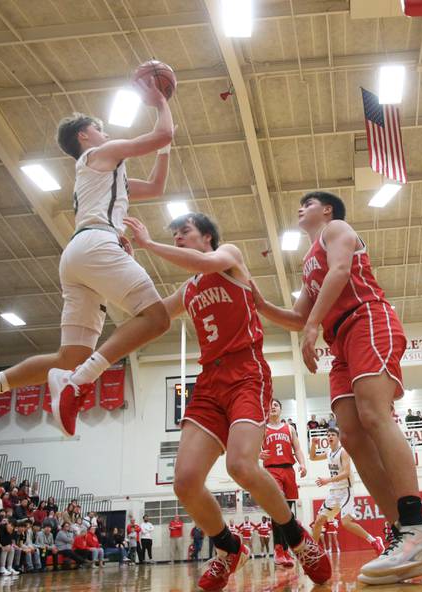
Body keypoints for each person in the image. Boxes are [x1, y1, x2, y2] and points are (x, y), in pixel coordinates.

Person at [0, 77, 176, 444]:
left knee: (69, 358)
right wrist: (160, 101)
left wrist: (166, 144)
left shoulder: (107, 172)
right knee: (157, 318)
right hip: (95, 247)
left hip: (81, 255)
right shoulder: (98, 155)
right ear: (84, 135)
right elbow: (159, 135)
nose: (106, 132)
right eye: (100, 128)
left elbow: (158, 185)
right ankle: (79, 380)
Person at [124, 212, 330, 589]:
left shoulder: (230, 259)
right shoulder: (187, 290)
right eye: (173, 234)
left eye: (183, 232)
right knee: (185, 481)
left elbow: (205, 263)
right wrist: (125, 264)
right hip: (208, 382)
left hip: (246, 374)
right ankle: (228, 546)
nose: (177, 237)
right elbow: (148, 313)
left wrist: (150, 244)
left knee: (240, 465)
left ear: (207, 236)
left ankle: (296, 538)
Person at [252, 191, 422, 585]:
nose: (300, 207)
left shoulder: (336, 229)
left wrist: (310, 328)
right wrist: (255, 298)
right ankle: (402, 536)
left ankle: (415, 522)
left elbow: (340, 273)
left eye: (308, 203)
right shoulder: (307, 264)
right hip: (339, 342)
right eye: (299, 204)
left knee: (374, 415)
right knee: (352, 436)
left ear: (327, 210)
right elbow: (295, 316)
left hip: (368, 319)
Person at [309, 428, 384, 555]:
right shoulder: (328, 453)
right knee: (318, 522)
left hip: (345, 491)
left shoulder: (343, 452)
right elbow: (313, 457)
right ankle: (314, 553)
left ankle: (374, 540)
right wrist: (313, 445)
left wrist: (327, 480)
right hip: (334, 493)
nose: (329, 437)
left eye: (332, 434)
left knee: (346, 523)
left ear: (338, 438)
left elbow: (346, 473)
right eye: (328, 435)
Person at [261, 399, 307, 567]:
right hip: (272, 470)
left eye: (276, 405)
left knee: (287, 512)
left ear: (280, 410)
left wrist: (302, 464)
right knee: (277, 505)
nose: (272, 407)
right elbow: (252, 448)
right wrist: (259, 454)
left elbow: (298, 449)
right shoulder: (262, 428)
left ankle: (285, 551)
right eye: (270, 405)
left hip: (289, 470)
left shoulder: (289, 428)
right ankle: (278, 549)